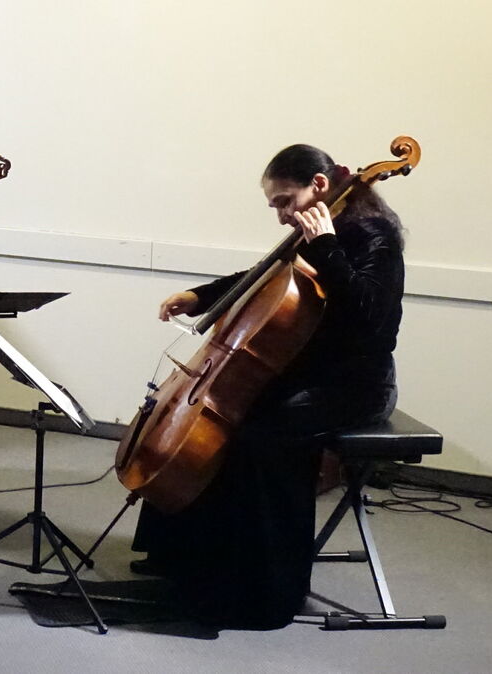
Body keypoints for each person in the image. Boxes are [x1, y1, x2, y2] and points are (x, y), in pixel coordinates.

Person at [130, 143, 405, 628]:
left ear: (318, 186)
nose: (281, 216)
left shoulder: (371, 235)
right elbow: (263, 279)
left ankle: (266, 591)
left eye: (285, 201)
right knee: (217, 429)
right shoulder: (311, 230)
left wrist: (325, 246)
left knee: (260, 437)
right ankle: (185, 560)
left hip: (356, 385)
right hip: (306, 375)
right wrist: (200, 296)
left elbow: (371, 322)